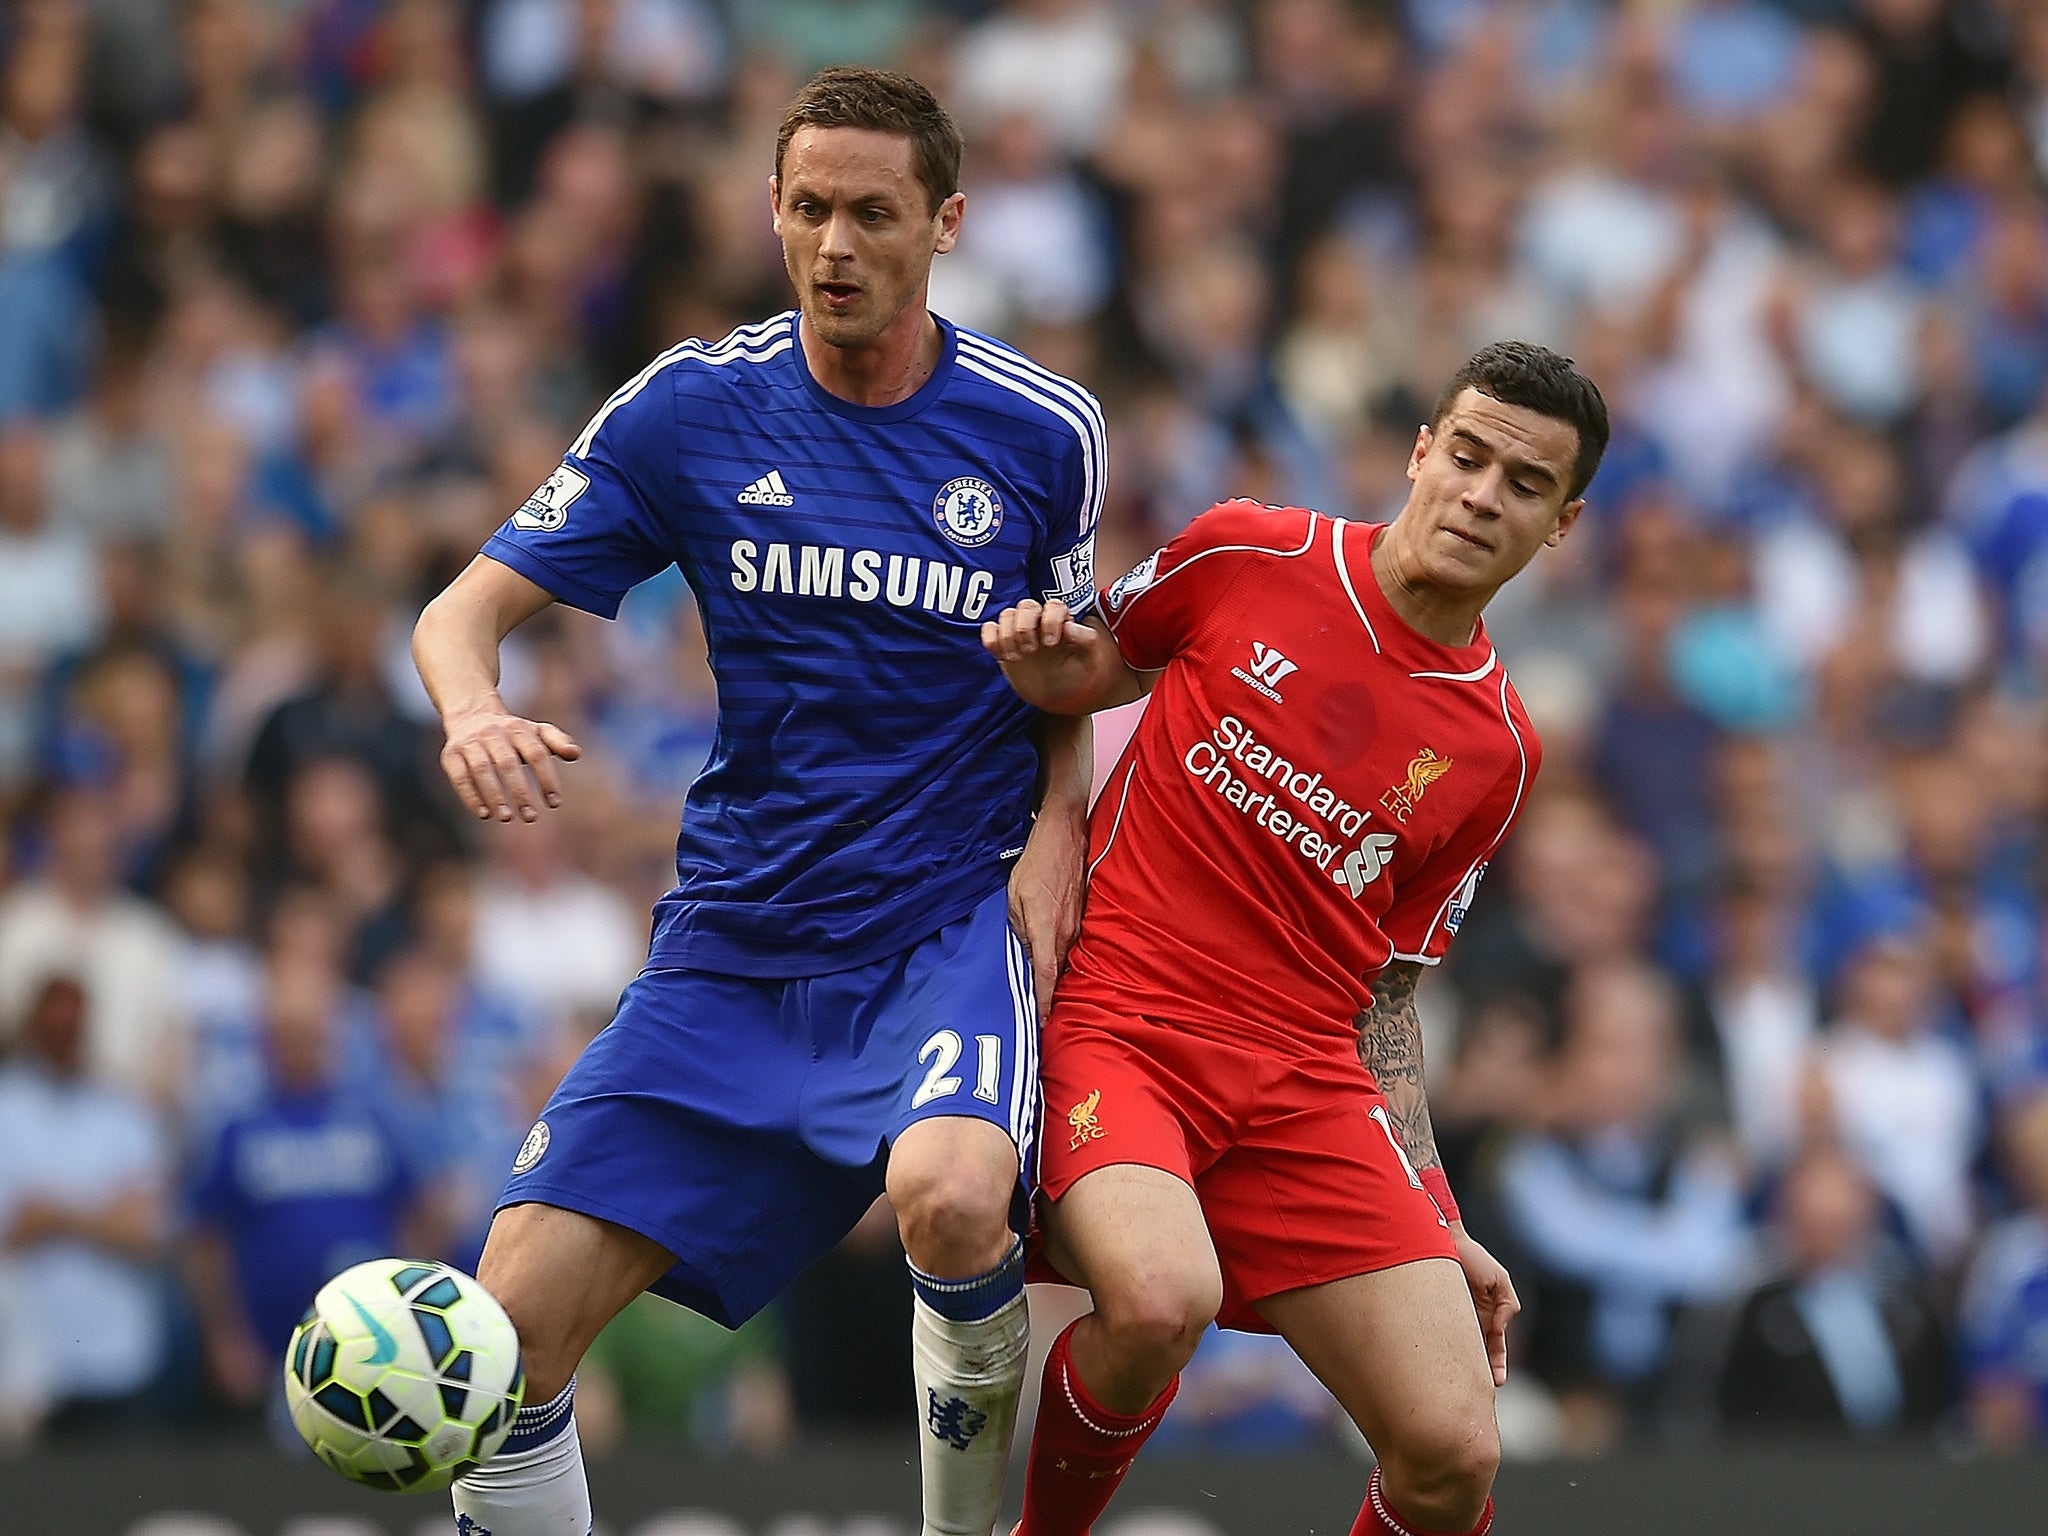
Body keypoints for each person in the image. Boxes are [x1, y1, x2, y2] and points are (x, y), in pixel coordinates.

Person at [409, 67, 1101, 1536]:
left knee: (958, 1200)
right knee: (500, 1344)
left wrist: (1060, 827)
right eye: (807, 209)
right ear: (771, 213)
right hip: (737, 941)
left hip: (940, 926)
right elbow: (459, 614)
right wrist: (472, 714)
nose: (834, 244)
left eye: (870, 212)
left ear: (947, 222)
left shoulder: (1044, 433)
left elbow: (1072, 674)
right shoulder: (692, 408)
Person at [981, 341, 1609, 1536]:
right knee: (1160, 1298)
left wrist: (1434, 1212)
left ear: (1559, 522)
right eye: (1465, 457)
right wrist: (1039, 687)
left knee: (1451, 1449)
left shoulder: (1499, 749)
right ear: (1420, 451)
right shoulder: (1249, 550)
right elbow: (1089, 673)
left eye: (1521, 485)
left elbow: (1385, 995)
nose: (1480, 495)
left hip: (1302, 1080)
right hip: (1124, 1022)